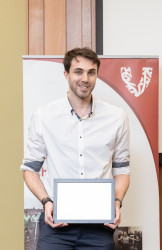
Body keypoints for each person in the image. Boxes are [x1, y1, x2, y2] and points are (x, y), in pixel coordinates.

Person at [21, 47, 130, 250]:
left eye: (91, 72)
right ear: (66, 74)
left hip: (99, 227)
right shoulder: (44, 116)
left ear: (97, 75)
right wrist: (46, 201)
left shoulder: (117, 117)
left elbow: (122, 171)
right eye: (78, 71)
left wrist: (116, 202)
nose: (85, 79)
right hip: (55, 226)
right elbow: (29, 169)